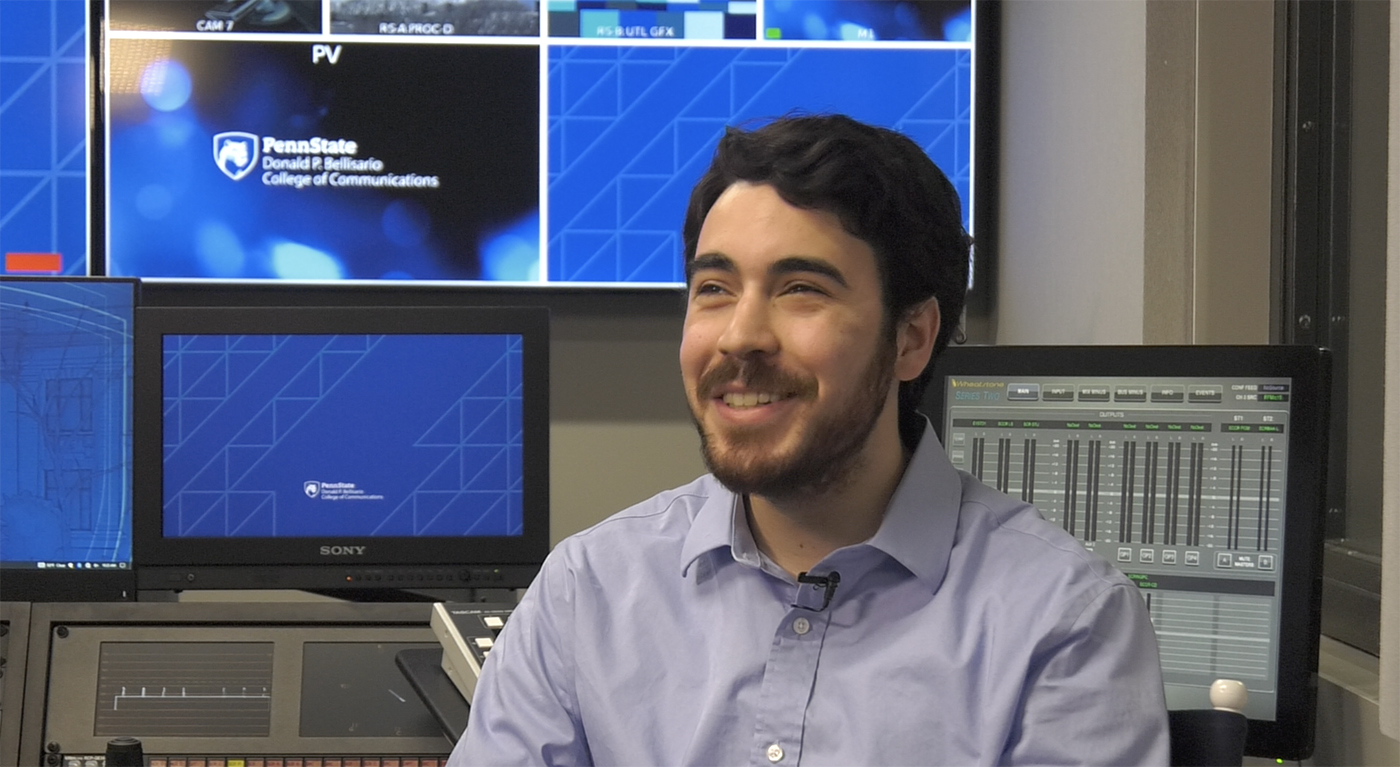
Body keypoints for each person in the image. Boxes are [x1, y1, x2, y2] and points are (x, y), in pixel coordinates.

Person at [446, 114, 1170, 766]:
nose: (740, 336)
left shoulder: (1063, 624)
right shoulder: (587, 594)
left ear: (913, 337)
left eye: (801, 290)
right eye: (714, 289)